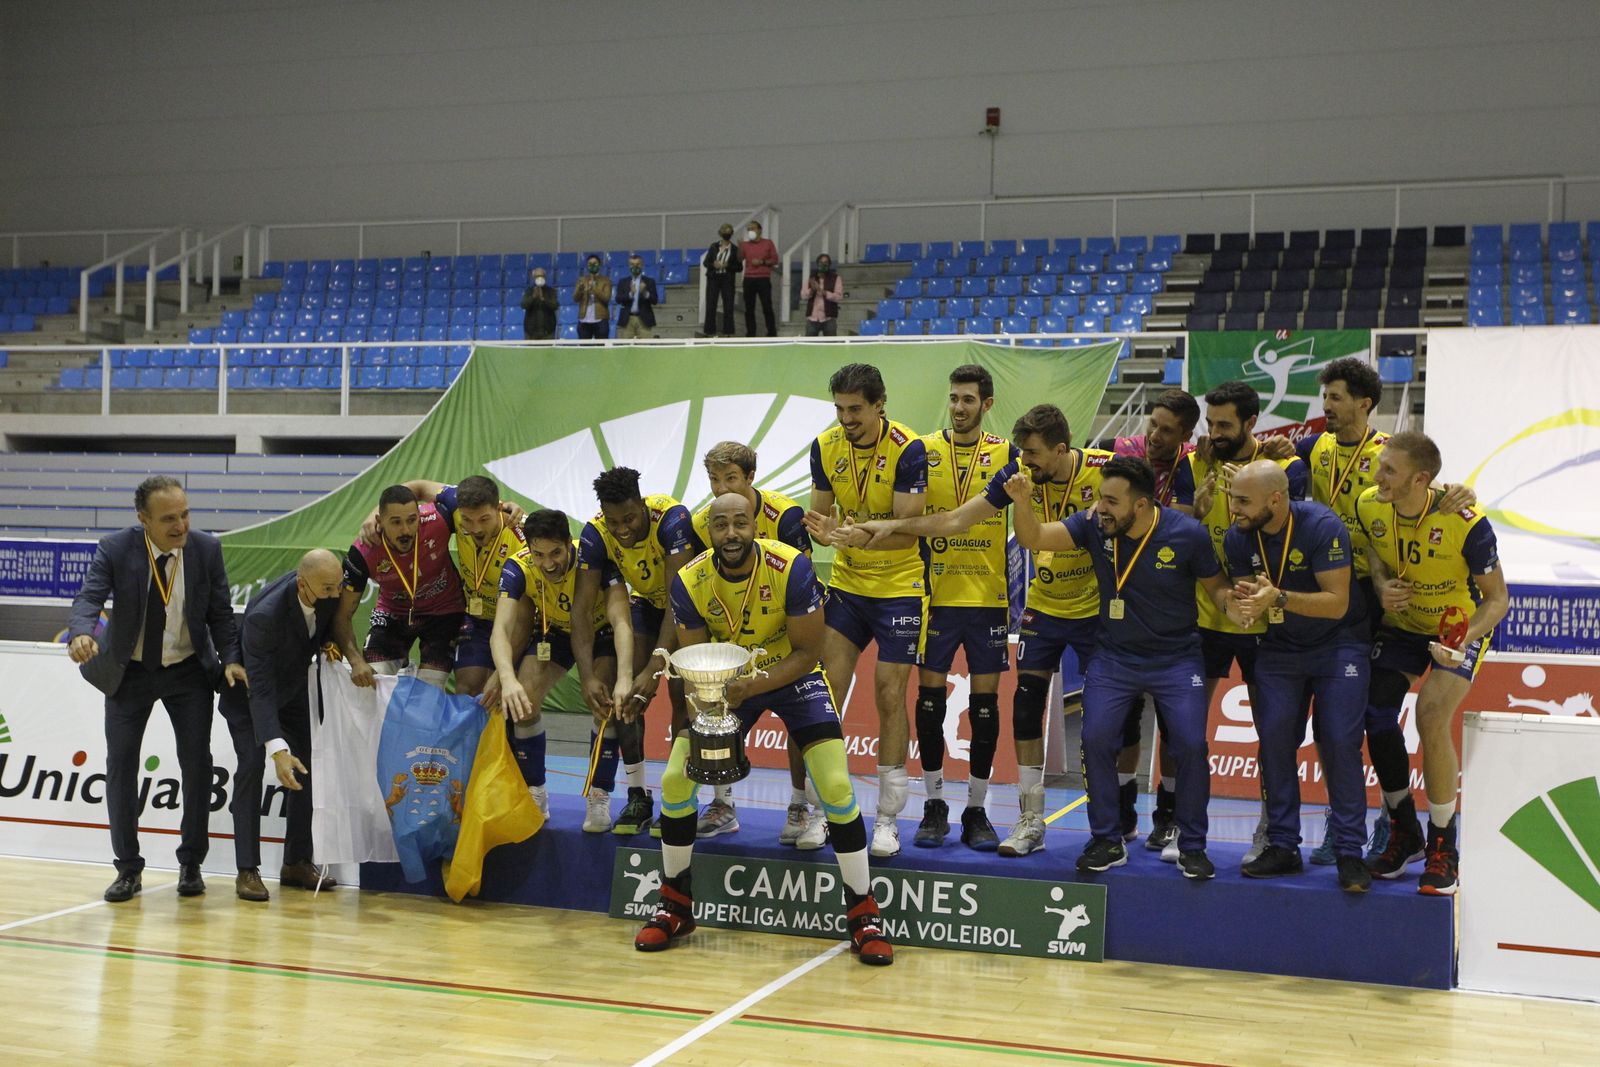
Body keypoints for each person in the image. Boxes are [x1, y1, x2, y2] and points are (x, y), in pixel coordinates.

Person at [846, 402, 1113, 858]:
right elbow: (953, 520)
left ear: (1061, 449)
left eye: (1031, 454)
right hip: (1039, 609)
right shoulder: (1014, 479)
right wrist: (889, 526)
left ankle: (1111, 824)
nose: (1022, 462)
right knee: (1024, 710)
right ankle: (1024, 818)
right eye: (1021, 454)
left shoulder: (1106, 472)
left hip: (1091, 612)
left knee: (1105, 723)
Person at [634, 493, 892, 965]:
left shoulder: (790, 567)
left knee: (834, 786)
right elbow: (696, 661)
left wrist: (754, 685)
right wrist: (720, 694)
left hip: (791, 677)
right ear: (708, 531)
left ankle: (863, 912)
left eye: (740, 523)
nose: (731, 533)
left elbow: (808, 653)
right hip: (727, 683)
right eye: (720, 526)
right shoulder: (690, 581)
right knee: (674, 779)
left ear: (755, 524)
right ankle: (675, 903)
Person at [1011, 456, 1237, 880]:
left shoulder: (1187, 535)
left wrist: (1234, 604)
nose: (1101, 508)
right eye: (1099, 497)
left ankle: (1192, 844)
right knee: (1095, 737)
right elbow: (1034, 536)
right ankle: (1106, 839)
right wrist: (1023, 501)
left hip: (1176, 658)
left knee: (1189, 744)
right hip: (1115, 657)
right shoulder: (1093, 525)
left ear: (1143, 505)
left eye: (1112, 501)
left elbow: (1216, 586)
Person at [67, 475, 246, 903]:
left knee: (197, 765)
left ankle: (191, 863)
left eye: (184, 514)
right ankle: (127, 868)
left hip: (187, 670)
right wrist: (79, 633)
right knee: (122, 766)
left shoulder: (206, 549)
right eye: (169, 518)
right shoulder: (116, 549)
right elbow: (88, 598)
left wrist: (232, 657)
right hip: (129, 673)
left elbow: (221, 613)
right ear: (143, 520)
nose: (181, 525)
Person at [1356, 432, 1507, 895]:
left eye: (1389, 470)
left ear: (1421, 478)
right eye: (1379, 465)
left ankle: (1444, 844)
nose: (1377, 475)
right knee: (1374, 712)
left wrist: (1460, 638)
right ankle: (1405, 833)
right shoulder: (1369, 504)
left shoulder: (1465, 520)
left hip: (1455, 627)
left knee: (1430, 715)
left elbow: (1498, 599)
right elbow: (1375, 558)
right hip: (1403, 625)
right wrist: (1383, 586)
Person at [1171, 379, 1308, 864]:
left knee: (1274, 734)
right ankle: (1177, 824)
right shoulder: (1193, 462)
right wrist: (1197, 511)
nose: (1215, 432)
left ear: (1252, 423)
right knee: (1183, 729)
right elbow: (1174, 527)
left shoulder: (1283, 468)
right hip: (1205, 616)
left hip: (1263, 623)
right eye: (1211, 423)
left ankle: (1270, 831)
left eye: (1225, 423)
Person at [1221, 462, 1372, 892]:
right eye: (1233, 498)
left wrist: (1279, 597)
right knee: (1274, 740)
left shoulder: (1322, 527)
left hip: (1338, 643)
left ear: (1276, 499)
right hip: (1282, 648)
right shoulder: (1238, 537)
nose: (1234, 509)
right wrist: (1244, 608)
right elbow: (1245, 594)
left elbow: (1337, 603)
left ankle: (1349, 853)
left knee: (1341, 742)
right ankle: (1283, 845)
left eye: (1243, 500)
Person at [803, 363, 928, 857]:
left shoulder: (909, 447)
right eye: (839, 408)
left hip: (898, 584)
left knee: (889, 694)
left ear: (879, 405)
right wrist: (821, 531)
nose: (846, 419)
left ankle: (887, 819)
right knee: (825, 689)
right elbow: (822, 511)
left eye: (855, 409)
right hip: (849, 585)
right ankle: (825, 810)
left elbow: (909, 526)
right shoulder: (825, 446)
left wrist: (861, 534)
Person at [689, 441, 818, 845]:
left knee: (800, 724)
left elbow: (804, 581)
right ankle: (722, 805)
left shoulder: (785, 515)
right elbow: (702, 579)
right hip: (732, 638)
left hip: (785, 635)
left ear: (750, 477)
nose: (720, 486)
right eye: (713, 479)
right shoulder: (701, 522)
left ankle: (800, 805)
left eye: (730, 478)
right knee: (714, 713)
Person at [571, 467, 702, 836]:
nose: (622, 528)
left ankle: (681, 797)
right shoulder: (596, 533)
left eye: (629, 518)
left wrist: (655, 668)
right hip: (647, 603)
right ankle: (637, 794)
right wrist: (587, 677)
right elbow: (580, 611)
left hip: (692, 606)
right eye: (614, 521)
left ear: (642, 505)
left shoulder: (673, 520)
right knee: (625, 696)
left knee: (681, 694)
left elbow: (680, 602)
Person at [491, 509, 635, 819]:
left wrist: (622, 675)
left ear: (568, 544)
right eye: (539, 554)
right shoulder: (518, 568)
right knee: (524, 701)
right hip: (553, 632)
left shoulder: (592, 558)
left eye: (556, 552)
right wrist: (507, 678)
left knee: (603, 703)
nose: (548, 563)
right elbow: (500, 630)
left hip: (600, 632)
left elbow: (621, 620)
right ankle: (535, 791)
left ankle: (599, 793)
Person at [218, 549, 344, 900]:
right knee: (251, 766)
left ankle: (296, 862)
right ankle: (247, 870)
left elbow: (324, 629)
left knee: (306, 765)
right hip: (248, 696)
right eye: (328, 589)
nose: (336, 595)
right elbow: (259, 689)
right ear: (304, 584)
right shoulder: (265, 616)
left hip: (290, 689)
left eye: (338, 587)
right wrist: (277, 749)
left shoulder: (328, 588)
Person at [1110, 387, 1200, 853]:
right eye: (1152, 424)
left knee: (1171, 724)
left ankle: (1167, 814)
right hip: (1121, 609)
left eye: (1167, 431)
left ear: (1186, 436)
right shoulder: (1121, 452)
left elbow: (1184, 520)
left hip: (1173, 613)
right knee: (1124, 721)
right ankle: (1124, 810)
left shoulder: (1191, 465)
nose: (1155, 436)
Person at [358, 476, 524, 698]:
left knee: (512, 695)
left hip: (513, 620)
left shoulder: (521, 533)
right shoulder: (455, 503)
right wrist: (373, 514)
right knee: (467, 689)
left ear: (499, 508)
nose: (476, 529)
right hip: (476, 618)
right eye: (467, 520)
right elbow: (417, 487)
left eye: (484, 519)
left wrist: (504, 674)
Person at [334, 484, 466, 691]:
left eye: (412, 520)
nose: (405, 530)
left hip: (445, 610)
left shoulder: (438, 519)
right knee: (371, 683)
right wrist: (355, 660)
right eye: (395, 522)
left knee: (429, 689)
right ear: (379, 521)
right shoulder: (363, 552)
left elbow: (477, 505)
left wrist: (510, 509)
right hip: (393, 614)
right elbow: (342, 615)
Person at [740, 220, 779, 337]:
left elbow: (775, 260)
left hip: (763, 278)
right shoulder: (745, 245)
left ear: (759, 230)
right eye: (749, 229)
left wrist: (762, 262)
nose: (751, 231)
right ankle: (751, 333)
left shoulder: (768, 243)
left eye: (753, 228)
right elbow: (739, 259)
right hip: (748, 279)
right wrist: (739, 248)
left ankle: (771, 332)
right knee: (749, 308)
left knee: (767, 307)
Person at [702, 224, 741, 337]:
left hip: (727, 280)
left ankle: (728, 332)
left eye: (729, 231)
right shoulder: (713, 246)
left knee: (728, 306)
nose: (726, 233)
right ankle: (709, 331)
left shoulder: (734, 249)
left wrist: (727, 266)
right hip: (713, 278)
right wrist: (714, 265)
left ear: (731, 233)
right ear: (720, 232)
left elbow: (739, 267)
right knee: (711, 305)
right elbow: (706, 263)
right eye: (725, 231)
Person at [615, 255, 659, 341]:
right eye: (632, 264)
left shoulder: (649, 281)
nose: (635, 266)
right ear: (629, 266)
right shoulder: (623, 282)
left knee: (645, 349)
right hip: (627, 320)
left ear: (642, 265)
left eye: (638, 264)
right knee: (625, 348)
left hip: (644, 320)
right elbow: (618, 299)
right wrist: (630, 294)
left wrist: (645, 293)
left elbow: (655, 300)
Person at [802, 253, 844, 336]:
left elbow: (839, 297)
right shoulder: (811, 278)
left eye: (826, 263)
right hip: (812, 318)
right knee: (808, 346)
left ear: (829, 265)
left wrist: (824, 292)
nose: (823, 265)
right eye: (821, 263)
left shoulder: (836, 278)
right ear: (817, 264)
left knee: (831, 346)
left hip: (829, 318)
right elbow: (803, 295)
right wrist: (812, 290)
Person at [573, 254, 611, 341]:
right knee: (584, 350)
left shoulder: (606, 280)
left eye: (595, 263)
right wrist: (580, 289)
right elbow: (575, 298)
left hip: (601, 319)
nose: (592, 265)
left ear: (599, 265)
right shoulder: (581, 280)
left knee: (601, 348)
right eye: (590, 263)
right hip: (584, 319)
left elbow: (606, 299)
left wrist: (595, 289)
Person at [520, 266, 558, 340]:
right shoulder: (529, 291)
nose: (540, 278)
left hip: (548, 332)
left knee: (548, 352)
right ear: (533, 278)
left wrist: (543, 299)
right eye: (537, 276)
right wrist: (533, 297)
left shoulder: (551, 291)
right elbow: (523, 305)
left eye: (542, 276)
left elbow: (555, 305)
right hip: (531, 333)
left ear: (545, 277)